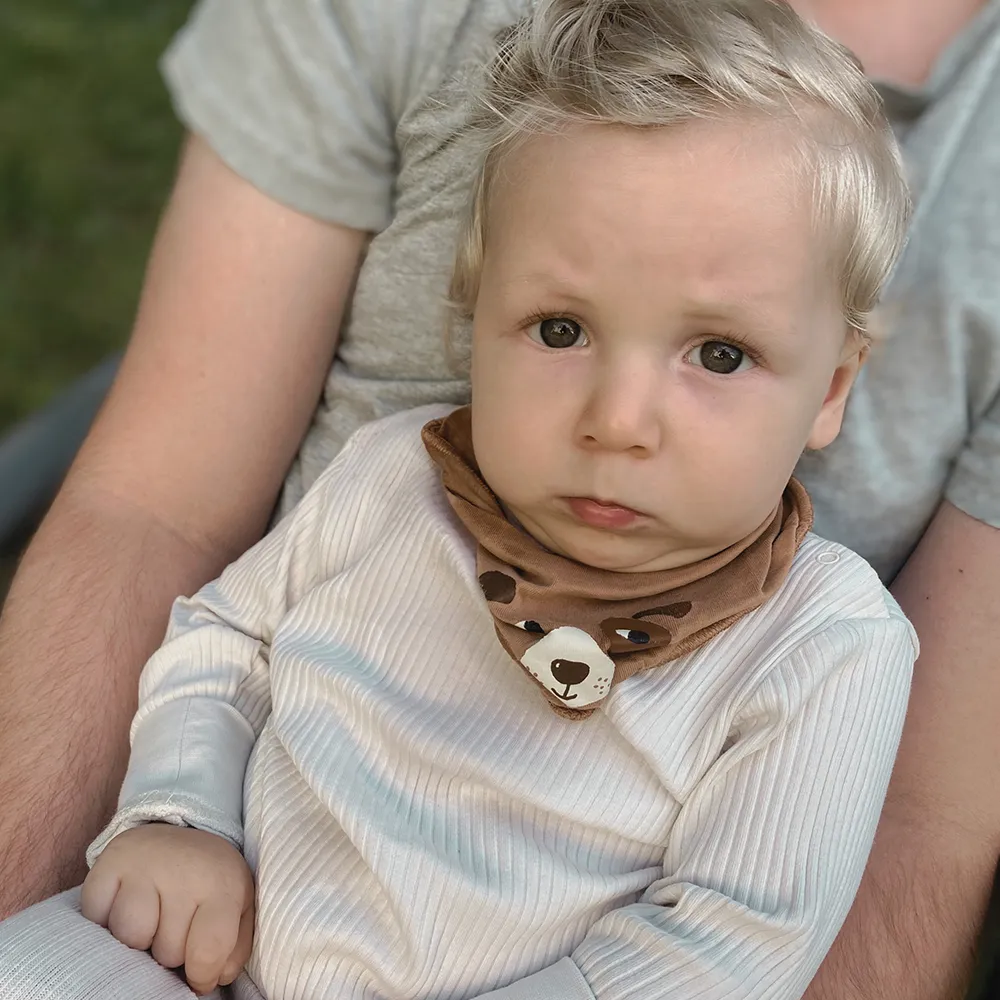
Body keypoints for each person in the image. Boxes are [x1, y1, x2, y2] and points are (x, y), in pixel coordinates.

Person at [0, 0, 996, 996]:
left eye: (720, 355)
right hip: (204, 956)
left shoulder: (827, 645)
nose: (619, 420)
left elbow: (732, 936)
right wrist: (179, 815)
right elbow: (228, 639)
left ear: (831, 390)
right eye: (561, 330)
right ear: (473, 322)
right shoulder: (396, 480)